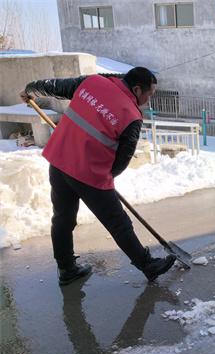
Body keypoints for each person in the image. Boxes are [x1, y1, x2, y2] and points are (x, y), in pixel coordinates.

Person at [20, 67, 176, 286]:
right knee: (118, 223)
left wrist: (31, 89)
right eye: (149, 95)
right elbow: (122, 159)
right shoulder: (131, 116)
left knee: (62, 218)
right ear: (137, 89)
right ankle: (147, 265)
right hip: (89, 174)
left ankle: (66, 269)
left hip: (59, 161)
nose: (148, 100)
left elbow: (56, 86)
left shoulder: (92, 82)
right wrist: (106, 179)